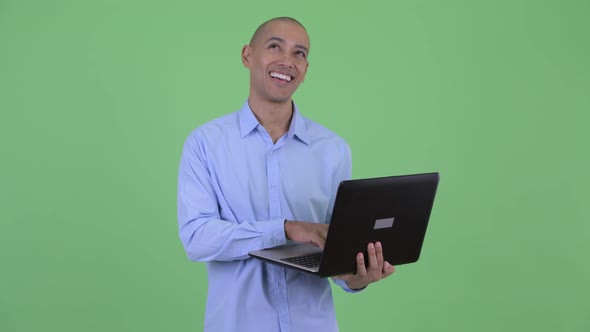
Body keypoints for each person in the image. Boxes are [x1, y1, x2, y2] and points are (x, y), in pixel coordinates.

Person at [177, 17, 395, 332]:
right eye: (275, 47)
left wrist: (355, 277)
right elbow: (197, 238)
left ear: (306, 70)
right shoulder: (205, 144)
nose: (287, 61)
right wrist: (286, 229)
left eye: (299, 54)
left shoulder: (333, 150)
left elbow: (336, 247)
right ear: (247, 56)